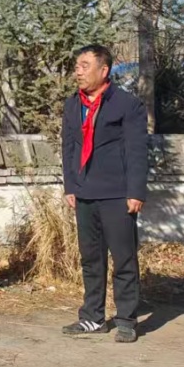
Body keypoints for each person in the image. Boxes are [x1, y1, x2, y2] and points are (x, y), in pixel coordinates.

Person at [60, 44, 148, 343]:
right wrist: (70, 186)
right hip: (84, 193)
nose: (78, 70)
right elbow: (69, 147)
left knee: (123, 258)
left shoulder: (126, 105)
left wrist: (136, 191)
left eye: (85, 65)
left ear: (104, 70)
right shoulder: (73, 104)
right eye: (77, 65)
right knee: (90, 259)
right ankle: (93, 318)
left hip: (117, 193)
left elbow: (137, 151)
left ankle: (126, 319)